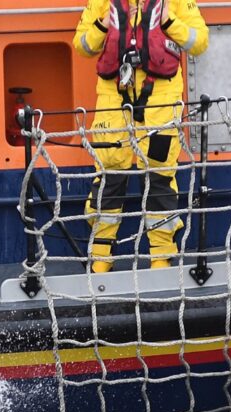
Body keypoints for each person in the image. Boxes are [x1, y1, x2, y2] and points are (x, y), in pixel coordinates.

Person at [73, 0, 209, 273]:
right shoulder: (101, 3)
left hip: (161, 95)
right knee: (109, 173)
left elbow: (199, 42)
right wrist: (103, 24)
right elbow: (82, 45)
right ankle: (100, 256)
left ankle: (161, 256)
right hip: (113, 95)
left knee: (159, 173)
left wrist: (169, 21)